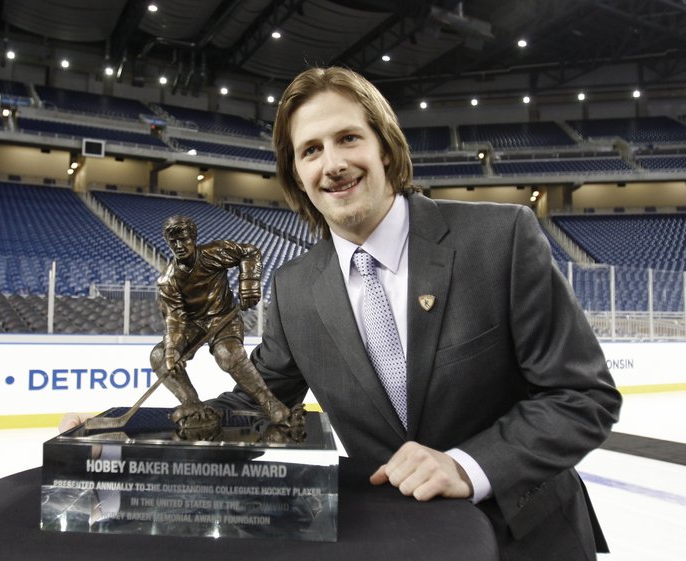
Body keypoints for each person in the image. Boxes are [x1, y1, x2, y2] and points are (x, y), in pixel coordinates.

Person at [206, 67, 622, 561]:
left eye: (348, 138)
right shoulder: (293, 287)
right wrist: (117, 431)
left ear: (384, 147)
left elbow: (581, 395)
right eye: (311, 150)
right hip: (398, 541)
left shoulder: (500, 238)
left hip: (529, 539)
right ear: (296, 171)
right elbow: (258, 400)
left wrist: (469, 466)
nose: (333, 164)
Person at [149, 215, 291, 434]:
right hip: (192, 324)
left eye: (183, 239)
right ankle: (192, 403)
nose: (178, 246)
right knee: (159, 357)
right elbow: (175, 319)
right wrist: (172, 351)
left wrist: (249, 283)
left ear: (193, 238)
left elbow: (250, 252)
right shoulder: (168, 280)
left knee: (228, 355)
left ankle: (269, 402)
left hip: (224, 318)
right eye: (173, 242)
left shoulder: (213, 253)